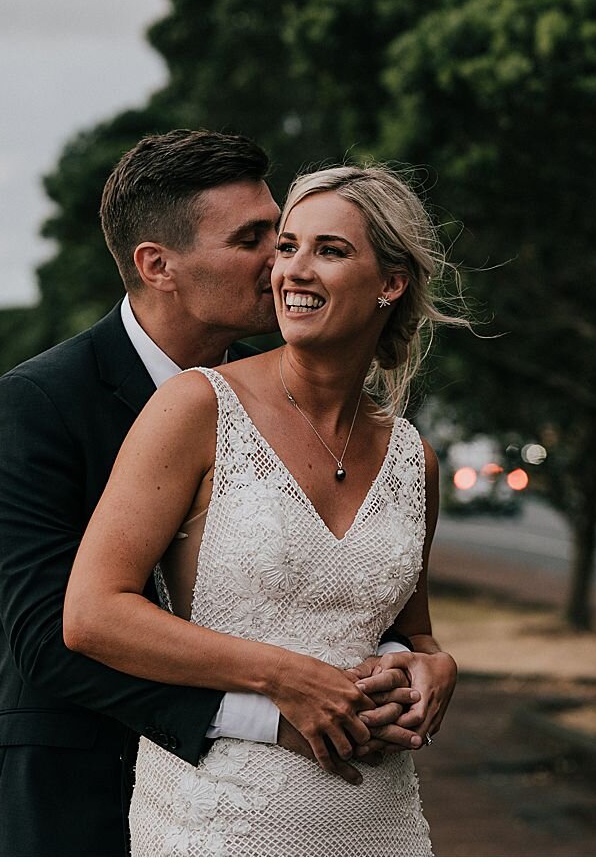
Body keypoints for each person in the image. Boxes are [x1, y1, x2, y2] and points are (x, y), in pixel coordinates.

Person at [0, 132, 435, 857]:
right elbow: (48, 639)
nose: (279, 261)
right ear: (158, 265)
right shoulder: (37, 403)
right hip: (75, 791)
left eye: (282, 235)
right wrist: (270, 710)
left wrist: (413, 660)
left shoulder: (288, 396)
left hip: (318, 801)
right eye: (256, 238)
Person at [64, 164, 463, 855]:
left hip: (380, 821)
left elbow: (409, 631)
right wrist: (286, 676)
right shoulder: (196, 407)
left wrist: (436, 667)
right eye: (286, 246)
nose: (292, 271)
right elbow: (93, 614)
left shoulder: (412, 458)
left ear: (391, 284)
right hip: (219, 820)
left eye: (329, 251)